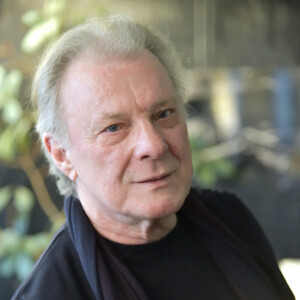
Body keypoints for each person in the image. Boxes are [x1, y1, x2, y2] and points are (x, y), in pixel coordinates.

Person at [12, 16, 294, 300]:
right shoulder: (51, 292)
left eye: (164, 114)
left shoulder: (230, 220)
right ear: (61, 154)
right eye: (114, 128)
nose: (154, 145)